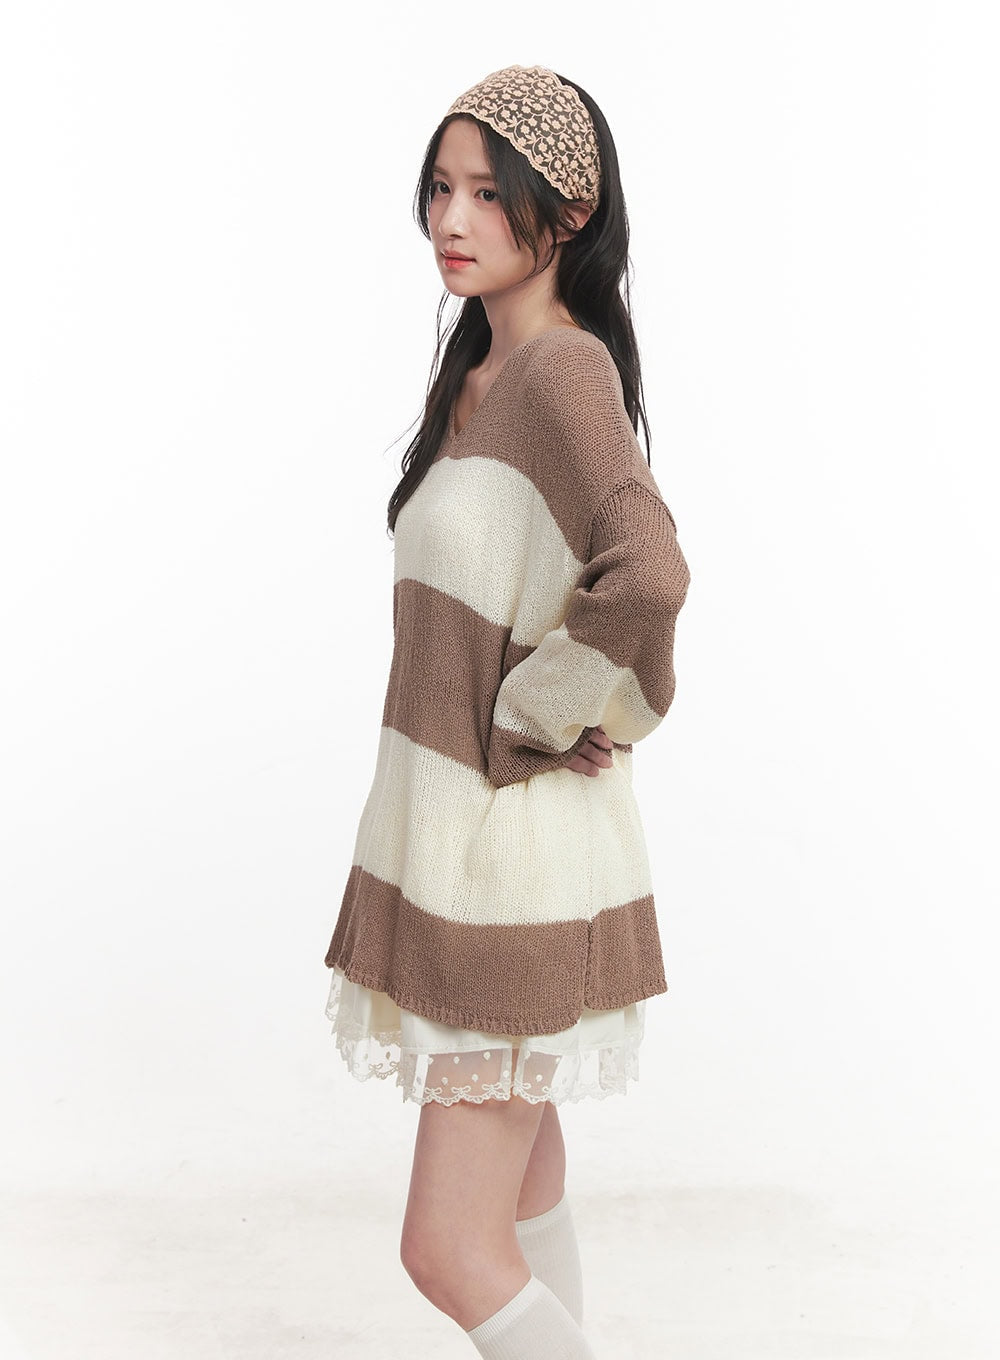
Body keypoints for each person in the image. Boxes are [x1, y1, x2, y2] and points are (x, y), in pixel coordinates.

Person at [322, 64, 691, 1358]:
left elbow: (650, 574)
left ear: (568, 213)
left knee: (446, 1249)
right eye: (440, 187)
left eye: (488, 192)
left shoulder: (561, 373)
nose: (450, 218)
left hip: (511, 866)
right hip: (466, 852)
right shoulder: (479, 373)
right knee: (524, 1197)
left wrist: (542, 712)